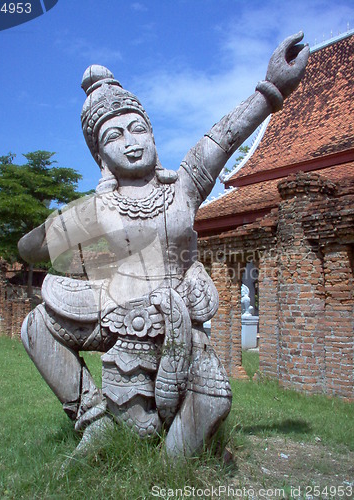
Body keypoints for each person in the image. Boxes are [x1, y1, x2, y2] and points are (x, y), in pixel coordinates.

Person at [18, 32, 309, 457]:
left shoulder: (185, 187)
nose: (131, 142)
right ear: (100, 156)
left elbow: (223, 140)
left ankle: (175, 469)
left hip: (177, 313)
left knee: (213, 399)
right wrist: (64, 221)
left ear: (152, 132)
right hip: (113, 311)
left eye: (138, 128)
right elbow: (32, 250)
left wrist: (271, 89)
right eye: (113, 137)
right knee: (36, 326)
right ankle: (92, 418)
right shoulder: (99, 207)